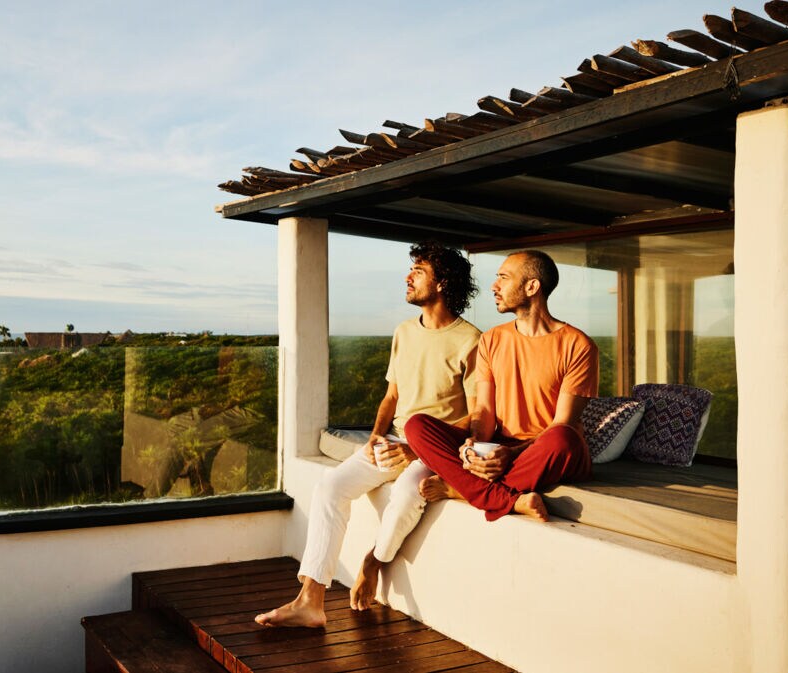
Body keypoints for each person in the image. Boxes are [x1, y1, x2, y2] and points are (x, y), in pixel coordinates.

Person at [255, 241, 481, 628]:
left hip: (434, 450)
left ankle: (372, 560)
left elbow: (477, 417)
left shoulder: (472, 340)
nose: (408, 278)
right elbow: (392, 395)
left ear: (442, 282)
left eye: (419, 271)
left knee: (409, 494)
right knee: (330, 486)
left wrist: (415, 450)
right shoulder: (404, 332)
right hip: (392, 441)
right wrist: (376, 436)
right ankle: (310, 600)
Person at [406, 249, 597, 522]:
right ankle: (501, 497)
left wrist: (511, 454)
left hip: (544, 450)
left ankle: (463, 490)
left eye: (504, 278)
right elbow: (483, 410)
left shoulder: (578, 345)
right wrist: (474, 445)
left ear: (532, 286)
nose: (494, 286)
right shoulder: (492, 339)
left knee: (564, 438)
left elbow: (561, 423)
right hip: (499, 445)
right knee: (417, 426)